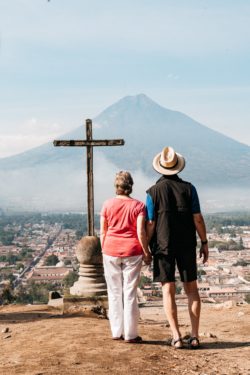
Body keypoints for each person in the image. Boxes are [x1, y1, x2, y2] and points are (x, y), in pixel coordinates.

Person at [146, 146, 209, 349]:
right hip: (187, 245)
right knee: (192, 290)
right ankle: (195, 335)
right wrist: (204, 242)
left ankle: (176, 336)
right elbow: (197, 218)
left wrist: (146, 248)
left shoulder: (152, 192)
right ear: (178, 167)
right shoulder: (190, 189)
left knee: (168, 290)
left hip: (163, 246)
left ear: (160, 168)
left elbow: (151, 223)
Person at [100, 171, 152, 343]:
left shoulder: (107, 204)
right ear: (131, 186)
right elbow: (140, 231)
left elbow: (103, 231)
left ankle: (116, 331)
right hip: (132, 251)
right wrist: (146, 251)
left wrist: (104, 249)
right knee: (129, 292)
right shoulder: (138, 206)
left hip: (110, 250)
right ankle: (131, 334)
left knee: (114, 292)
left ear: (116, 187)